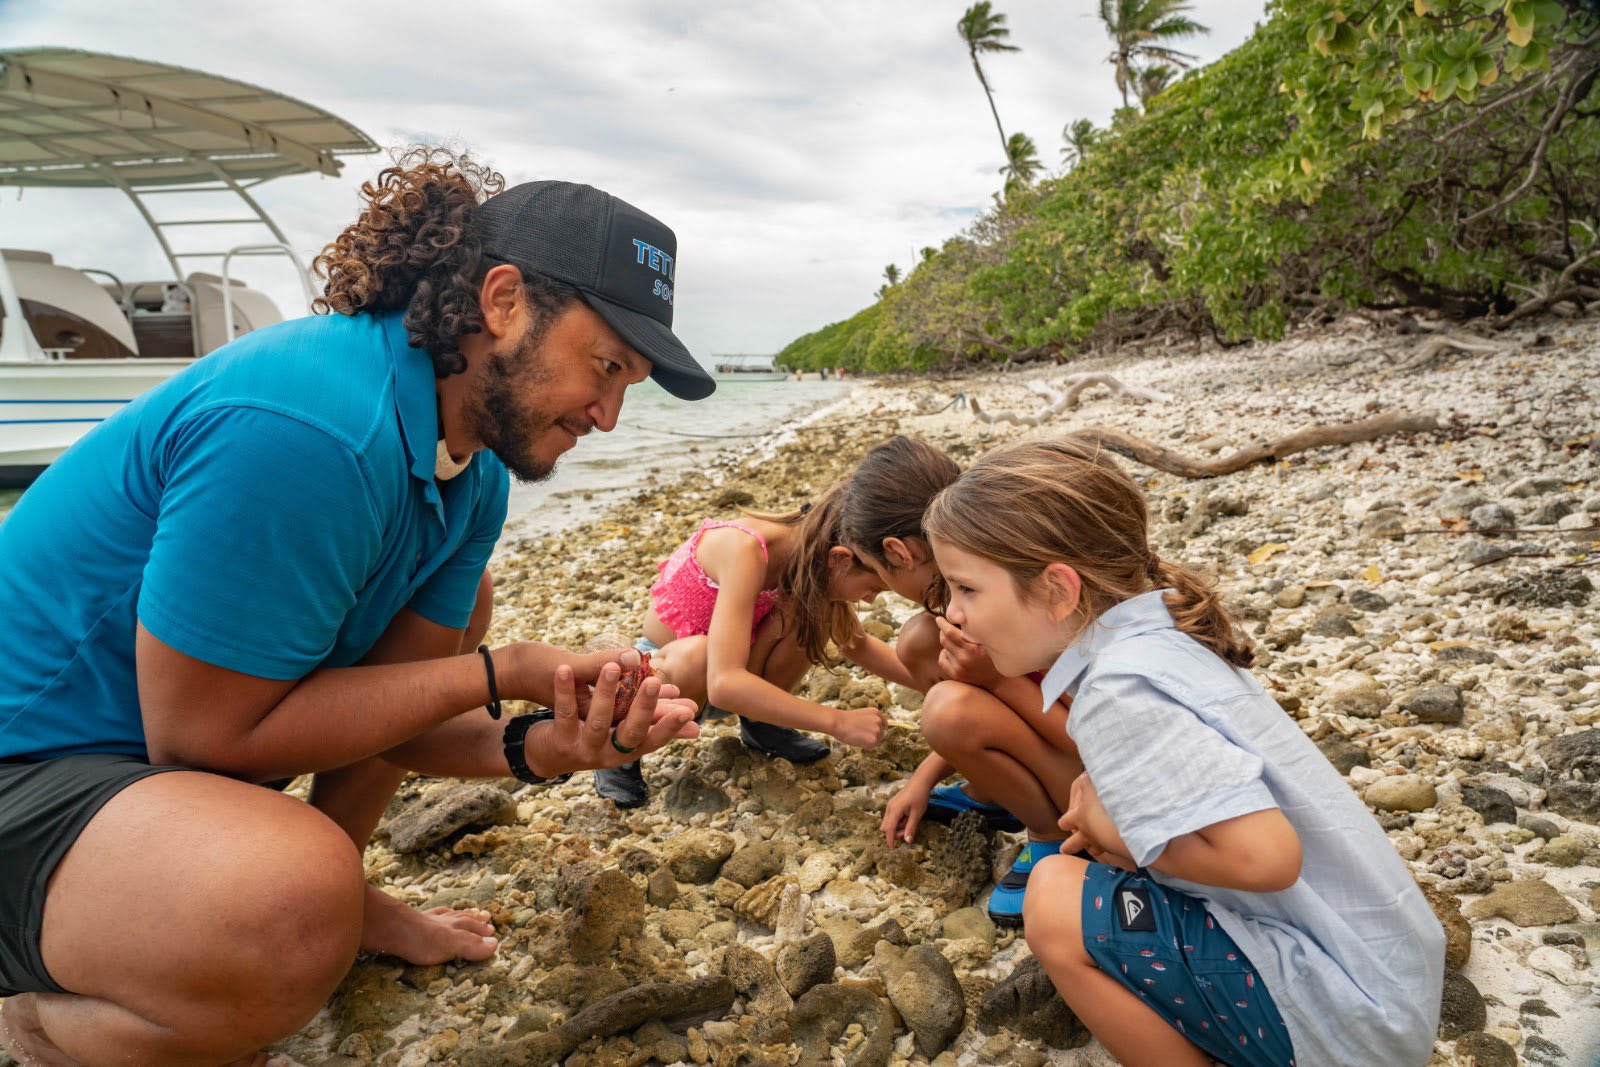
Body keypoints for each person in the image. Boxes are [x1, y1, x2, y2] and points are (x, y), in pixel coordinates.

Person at [0, 147, 713, 1066]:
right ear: (502, 303)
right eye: (603, 365)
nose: (608, 414)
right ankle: (40, 1021)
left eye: (628, 385)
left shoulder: (474, 468)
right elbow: (204, 738)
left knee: (465, 613)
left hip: (141, 770)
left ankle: (311, 914)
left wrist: (553, 744)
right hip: (30, 766)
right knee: (289, 906)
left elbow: (382, 713)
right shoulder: (313, 430)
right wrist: (505, 673)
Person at [916, 437, 1444, 1067]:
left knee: (1055, 896)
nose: (953, 613)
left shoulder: (1117, 687)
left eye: (966, 589)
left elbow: (1267, 857)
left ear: (1058, 590)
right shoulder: (1160, 639)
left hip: (1349, 1016)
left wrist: (1117, 827)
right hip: (1386, 978)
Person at [594, 435, 959, 806]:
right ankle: (620, 742)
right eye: (873, 588)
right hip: (668, 677)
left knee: (807, 612)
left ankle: (763, 726)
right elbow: (722, 683)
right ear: (840, 559)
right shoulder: (745, 550)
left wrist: (943, 684)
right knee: (699, 655)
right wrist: (836, 721)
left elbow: (859, 645)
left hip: (737, 674)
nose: (868, 598)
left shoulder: (814, 567)